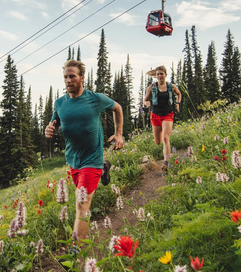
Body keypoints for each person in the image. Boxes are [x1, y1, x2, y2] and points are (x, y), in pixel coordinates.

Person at [45, 59, 124, 244]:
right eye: (65, 77)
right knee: (82, 201)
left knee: (82, 205)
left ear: (82, 78)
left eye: (72, 76)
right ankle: (104, 170)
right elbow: (55, 125)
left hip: (92, 158)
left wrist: (119, 134)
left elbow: (117, 108)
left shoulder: (95, 99)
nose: (68, 80)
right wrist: (50, 130)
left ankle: (75, 252)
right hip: (73, 160)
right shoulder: (59, 103)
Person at [143, 65, 182, 168]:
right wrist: (146, 103)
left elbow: (179, 94)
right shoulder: (152, 87)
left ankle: (166, 163)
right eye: (158, 74)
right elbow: (145, 99)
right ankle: (164, 156)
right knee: (158, 141)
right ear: (155, 76)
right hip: (155, 115)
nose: (160, 76)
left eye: (162, 74)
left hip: (168, 114)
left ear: (165, 75)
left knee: (165, 138)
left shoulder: (171, 86)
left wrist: (177, 103)